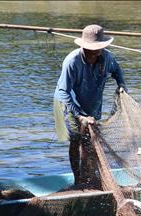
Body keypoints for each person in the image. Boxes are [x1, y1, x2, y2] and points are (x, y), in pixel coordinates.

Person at [53, 24, 127, 187]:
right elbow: (64, 92)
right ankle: (78, 179)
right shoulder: (72, 61)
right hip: (69, 103)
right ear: (83, 47)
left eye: (98, 48)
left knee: (92, 141)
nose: (95, 52)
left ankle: (90, 176)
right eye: (91, 49)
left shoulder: (107, 58)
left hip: (92, 103)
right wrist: (80, 116)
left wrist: (121, 85)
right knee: (77, 138)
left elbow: (117, 70)